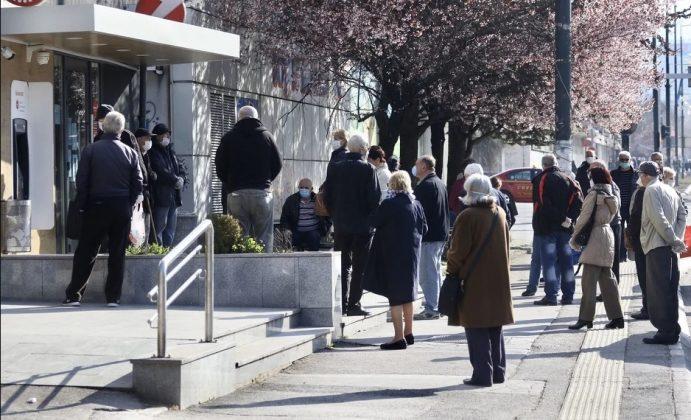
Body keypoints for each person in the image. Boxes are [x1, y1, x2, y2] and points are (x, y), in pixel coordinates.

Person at [63, 111, 143, 307]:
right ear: (121, 129)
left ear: (103, 127)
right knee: (117, 253)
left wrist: (81, 207)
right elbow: (138, 184)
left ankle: (74, 294)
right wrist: (128, 203)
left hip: (96, 206)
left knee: (87, 251)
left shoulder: (90, 150)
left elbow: (82, 183)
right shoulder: (130, 152)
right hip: (121, 206)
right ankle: (113, 297)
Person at [446, 174, 514, 387]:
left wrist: (452, 272)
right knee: (495, 325)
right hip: (499, 278)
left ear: (470, 192)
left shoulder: (467, 216)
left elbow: (457, 252)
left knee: (476, 326)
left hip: (474, 279)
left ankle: (482, 374)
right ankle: (498, 372)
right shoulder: (500, 213)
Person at [364, 171, 427, 350]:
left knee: (395, 297)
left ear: (392, 185)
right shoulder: (416, 204)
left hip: (392, 256)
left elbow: (374, 221)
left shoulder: (389, 204)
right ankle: (409, 332)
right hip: (412, 255)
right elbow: (425, 228)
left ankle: (398, 338)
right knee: (408, 294)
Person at [324, 133, 381, 316]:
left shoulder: (335, 167)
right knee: (359, 266)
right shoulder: (368, 170)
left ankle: (340, 303)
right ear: (364, 149)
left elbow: (327, 196)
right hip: (363, 227)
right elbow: (374, 198)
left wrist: (335, 216)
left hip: (340, 225)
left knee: (342, 264)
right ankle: (354, 304)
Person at [214, 106, 282, 252]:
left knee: (239, 238)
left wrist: (230, 183)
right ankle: (264, 269)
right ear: (257, 118)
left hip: (236, 194)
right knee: (264, 237)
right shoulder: (267, 137)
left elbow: (219, 165)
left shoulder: (228, 138)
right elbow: (278, 163)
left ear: (239, 118)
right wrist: (266, 180)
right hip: (261, 193)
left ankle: (242, 272)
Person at [568, 167, 624, 330]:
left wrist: (574, 238)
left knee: (588, 282)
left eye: (590, 177)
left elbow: (583, 218)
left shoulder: (593, 194)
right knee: (608, 280)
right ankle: (617, 317)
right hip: (607, 234)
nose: (588, 179)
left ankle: (585, 318)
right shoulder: (611, 194)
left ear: (595, 178)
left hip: (594, 236)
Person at [639, 161, 688, 344]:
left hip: (657, 246)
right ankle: (671, 328)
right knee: (669, 289)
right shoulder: (669, 189)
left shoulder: (651, 190)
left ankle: (665, 331)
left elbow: (658, 218)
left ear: (645, 175)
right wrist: (677, 239)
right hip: (669, 248)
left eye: (640, 175)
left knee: (658, 290)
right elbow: (683, 215)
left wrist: (673, 239)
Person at [532, 154, 580, 306]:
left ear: (543, 165)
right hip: (565, 229)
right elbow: (579, 201)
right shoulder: (568, 179)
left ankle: (551, 296)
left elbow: (543, 205)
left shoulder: (541, 179)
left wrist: (562, 219)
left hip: (547, 228)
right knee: (567, 262)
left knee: (549, 263)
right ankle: (568, 296)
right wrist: (569, 219)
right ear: (556, 163)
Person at [412, 155, 450, 320]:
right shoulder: (439, 183)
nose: (415, 167)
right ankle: (437, 305)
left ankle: (431, 308)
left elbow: (421, 214)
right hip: (440, 233)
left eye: (417, 164)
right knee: (434, 271)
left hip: (429, 235)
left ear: (424, 167)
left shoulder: (425, 186)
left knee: (428, 273)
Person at [148, 123, 184, 247]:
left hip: (173, 196)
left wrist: (181, 179)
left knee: (170, 228)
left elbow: (180, 168)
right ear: (157, 136)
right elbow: (161, 170)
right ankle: (158, 252)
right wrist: (175, 180)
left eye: (168, 135)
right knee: (159, 226)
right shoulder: (153, 152)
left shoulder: (171, 151)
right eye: (164, 135)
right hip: (161, 196)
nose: (166, 137)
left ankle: (167, 251)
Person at [590, 160, 622, 284]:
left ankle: (612, 286)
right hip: (601, 226)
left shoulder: (610, 185)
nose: (590, 173)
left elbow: (616, 205)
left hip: (611, 225)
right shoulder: (597, 185)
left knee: (611, 259)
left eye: (593, 170)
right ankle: (606, 287)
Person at [279, 178, 329, 251]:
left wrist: (325, 230)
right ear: (298, 188)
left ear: (311, 189)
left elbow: (327, 217)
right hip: (296, 231)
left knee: (314, 237)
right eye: (301, 187)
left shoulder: (318, 200)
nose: (303, 190)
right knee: (291, 243)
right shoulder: (291, 200)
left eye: (306, 188)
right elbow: (284, 217)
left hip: (313, 231)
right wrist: (287, 229)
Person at [461, 163, 513, 228]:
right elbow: (509, 219)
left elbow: (464, 227)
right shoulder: (499, 193)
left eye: (466, 177)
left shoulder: (468, 197)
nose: (465, 180)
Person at [627, 176, 649, 320]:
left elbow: (635, 216)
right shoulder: (665, 189)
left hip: (642, 240)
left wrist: (631, 238)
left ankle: (647, 309)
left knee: (644, 277)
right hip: (659, 242)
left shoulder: (642, 192)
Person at [611, 151, 638, 263]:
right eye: (622, 159)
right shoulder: (613, 174)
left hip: (632, 207)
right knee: (619, 232)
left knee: (633, 231)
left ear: (630, 160)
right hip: (619, 207)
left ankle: (633, 255)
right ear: (619, 160)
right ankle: (621, 256)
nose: (624, 161)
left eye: (626, 159)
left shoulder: (636, 174)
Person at [134, 127, 154, 244]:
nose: (149, 141)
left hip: (148, 196)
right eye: (147, 138)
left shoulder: (146, 155)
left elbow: (149, 173)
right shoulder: (135, 154)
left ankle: (145, 247)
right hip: (140, 196)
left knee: (147, 226)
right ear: (139, 139)